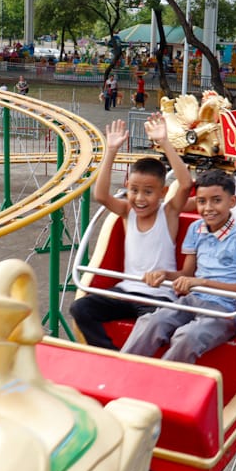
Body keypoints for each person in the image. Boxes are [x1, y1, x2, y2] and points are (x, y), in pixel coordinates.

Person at [69, 115, 193, 350]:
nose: (140, 198)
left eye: (148, 192)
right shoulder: (128, 211)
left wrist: (165, 143)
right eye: (134, 190)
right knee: (80, 308)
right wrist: (112, 150)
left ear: (162, 192)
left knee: (156, 320)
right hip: (127, 292)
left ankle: (131, 358)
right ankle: (111, 354)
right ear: (127, 188)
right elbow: (101, 195)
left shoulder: (168, 213)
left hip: (158, 297)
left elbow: (186, 184)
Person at [119, 170, 236, 363]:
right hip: (193, 300)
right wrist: (164, 274)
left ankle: (163, 383)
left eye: (216, 200)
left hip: (225, 310)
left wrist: (201, 282)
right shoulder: (196, 229)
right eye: (202, 201)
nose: (208, 208)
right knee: (151, 322)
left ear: (232, 202)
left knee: (187, 336)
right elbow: (186, 273)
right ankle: (123, 370)